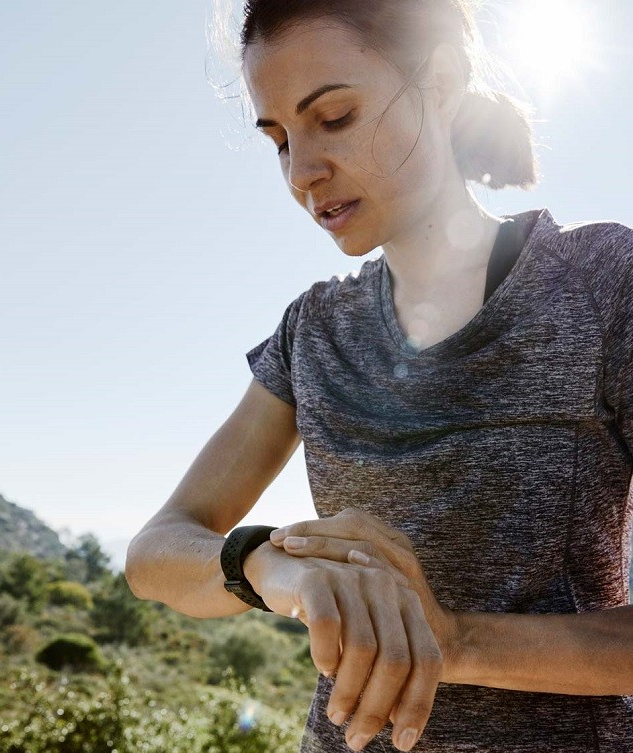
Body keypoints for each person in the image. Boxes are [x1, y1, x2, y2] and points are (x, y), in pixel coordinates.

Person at [125, 1, 633, 751]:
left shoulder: (603, 286)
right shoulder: (315, 331)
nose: (302, 172)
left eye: (334, 117)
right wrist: (270, 563)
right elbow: (156, 551)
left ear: (444, 79)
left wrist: (454, 640)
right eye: (279, 140)